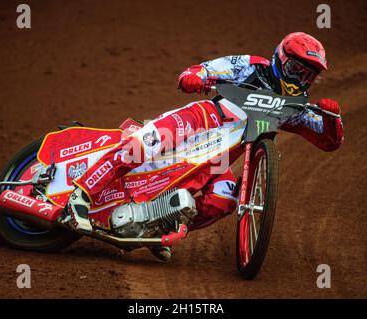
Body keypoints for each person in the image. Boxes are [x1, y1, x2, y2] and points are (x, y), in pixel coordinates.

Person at [60, 32, 344, 261]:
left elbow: (328, 141)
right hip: (201, 120)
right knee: (144, 144)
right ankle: (80, 196)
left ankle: (156, 227)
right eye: (295, 69)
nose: (299, 79)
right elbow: (202, 70)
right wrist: (195, 77)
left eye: (307, 76)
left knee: (223, 199)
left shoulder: (294, 107)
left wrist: (333, 120)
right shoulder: (252, 65)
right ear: (280, 59)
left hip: (218, 160)